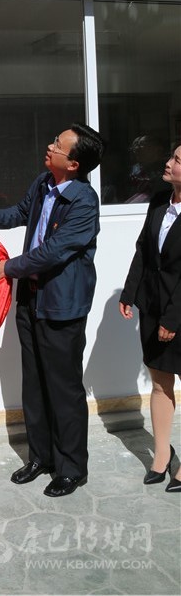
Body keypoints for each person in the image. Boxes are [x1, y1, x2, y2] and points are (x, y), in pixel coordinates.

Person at [0, 124, 105, 497]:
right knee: (35, 383)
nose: (50, 146)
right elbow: (20, 213)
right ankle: (40, 457)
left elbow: (54, 251)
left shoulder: (84, 202)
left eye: (58, 144)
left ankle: (71, 468)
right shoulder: (43, 184)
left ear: (73, 164)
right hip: (31, 300)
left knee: (63, 389)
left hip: (61, 306)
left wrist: (11, 267)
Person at [119, 144, 181, 493]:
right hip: (153, 306)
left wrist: (172, 320)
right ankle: (161, 456)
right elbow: (143, 249)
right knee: (160, 383)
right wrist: (130, 293)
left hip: (178, 311)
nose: (168, 163)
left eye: (177, 160)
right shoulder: (159, 200)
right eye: (171, 156)